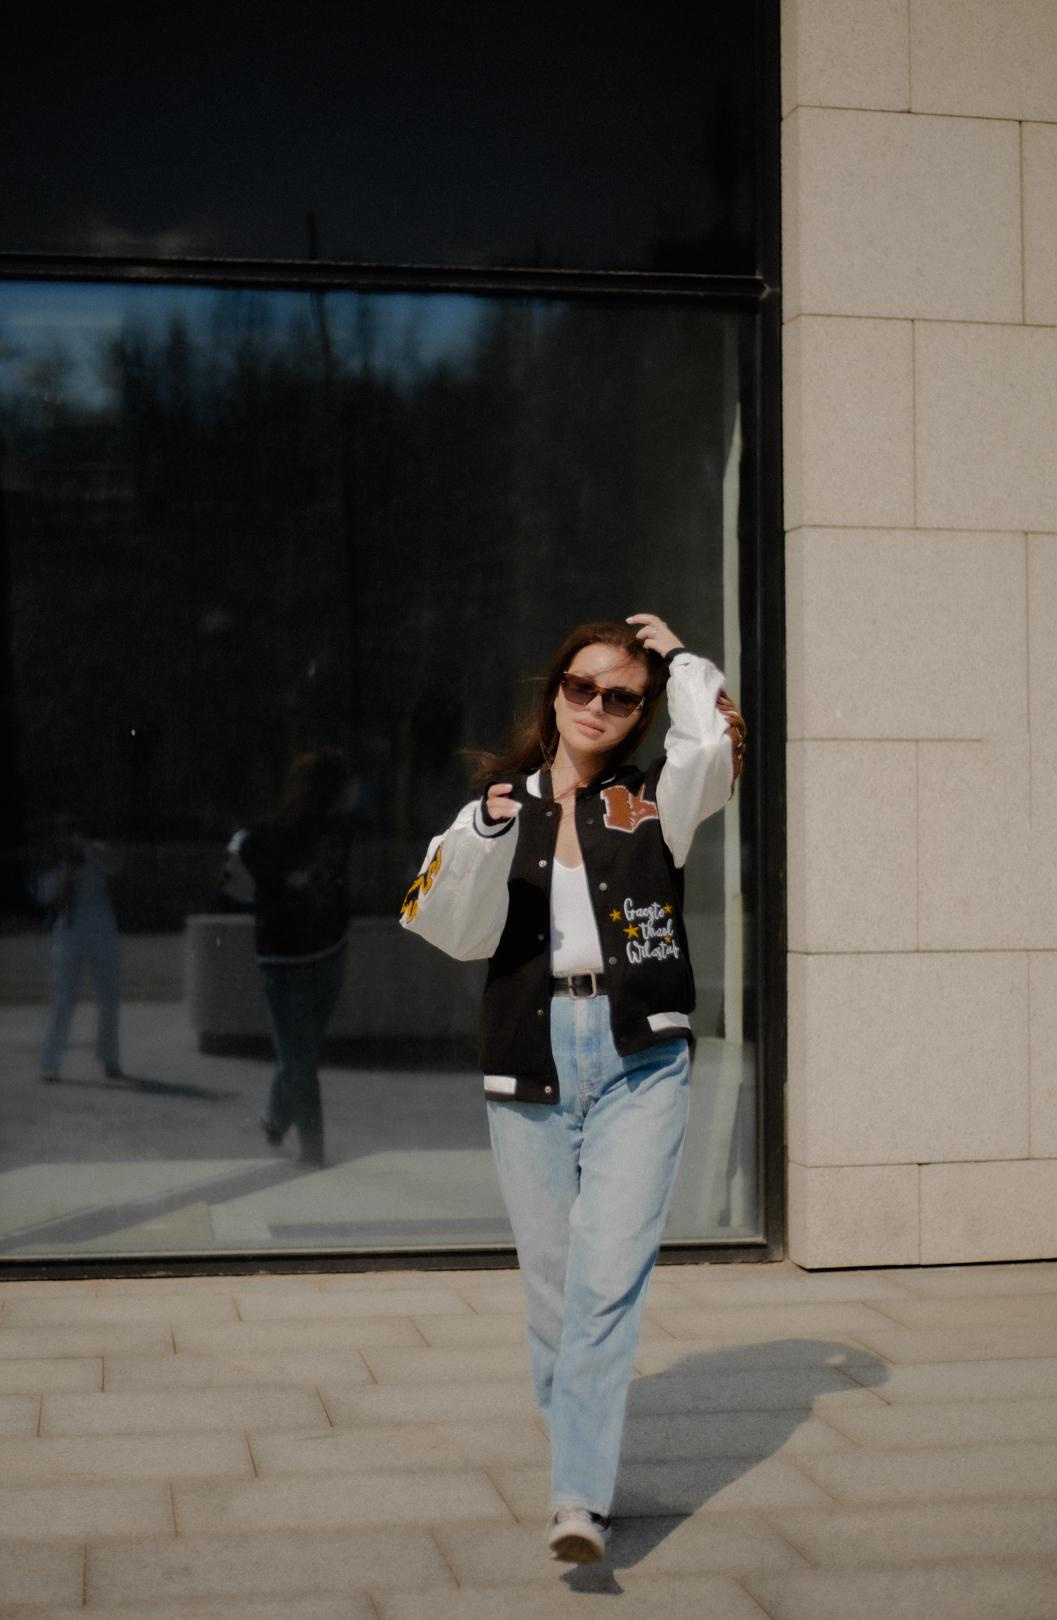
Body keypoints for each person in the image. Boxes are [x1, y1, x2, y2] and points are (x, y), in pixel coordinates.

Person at [399, 612, 746, 1562]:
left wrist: (679, 660)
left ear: (640, 713)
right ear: (555, 691)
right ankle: (579, 1464)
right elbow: (443, 924)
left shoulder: (655, 798)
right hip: (530, 1049)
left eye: (621, 696)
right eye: (582, 686)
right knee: (553, 1287)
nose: (597, 705)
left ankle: (578, 1499)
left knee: (606, 1279)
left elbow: (715, 743)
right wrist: (483, 833)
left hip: (641, 1054)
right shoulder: (498, 804)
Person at [240, 749, 355, 1168]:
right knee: (300, 1055)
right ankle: (308, 1142)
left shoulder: (272, 832)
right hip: (319, 950)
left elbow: (244, 864)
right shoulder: (333, 829)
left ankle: (282, 1122)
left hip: (293, 954)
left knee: (297, 1055)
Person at [34, 819, 123, 1083]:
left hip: (101, 926)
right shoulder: (56, 860)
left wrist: (89, 850)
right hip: (69, 930)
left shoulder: (95, 851)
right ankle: (50, 1062)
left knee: (108, 999)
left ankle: (110, 1058)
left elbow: (116, 867)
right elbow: (44, 895)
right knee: (62, 998)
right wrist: (65, 874)